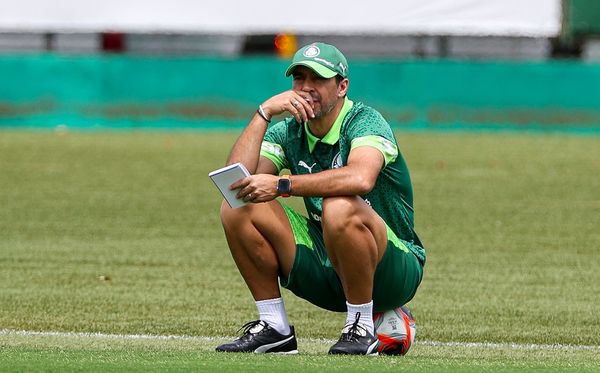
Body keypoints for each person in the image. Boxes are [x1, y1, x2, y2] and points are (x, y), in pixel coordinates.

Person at [215, 42, 426, 355]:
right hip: (330, 262)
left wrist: (282, 185)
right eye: (299, 79)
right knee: (237, 206)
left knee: (339, 205)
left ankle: (361, 327)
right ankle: (275, 327)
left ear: (342, 87)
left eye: (318, 79)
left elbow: (360, 178)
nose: (306, 88)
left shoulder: (364, 121)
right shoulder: (287, 130)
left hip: (393, 267)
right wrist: (264, 112)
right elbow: (235, 184)